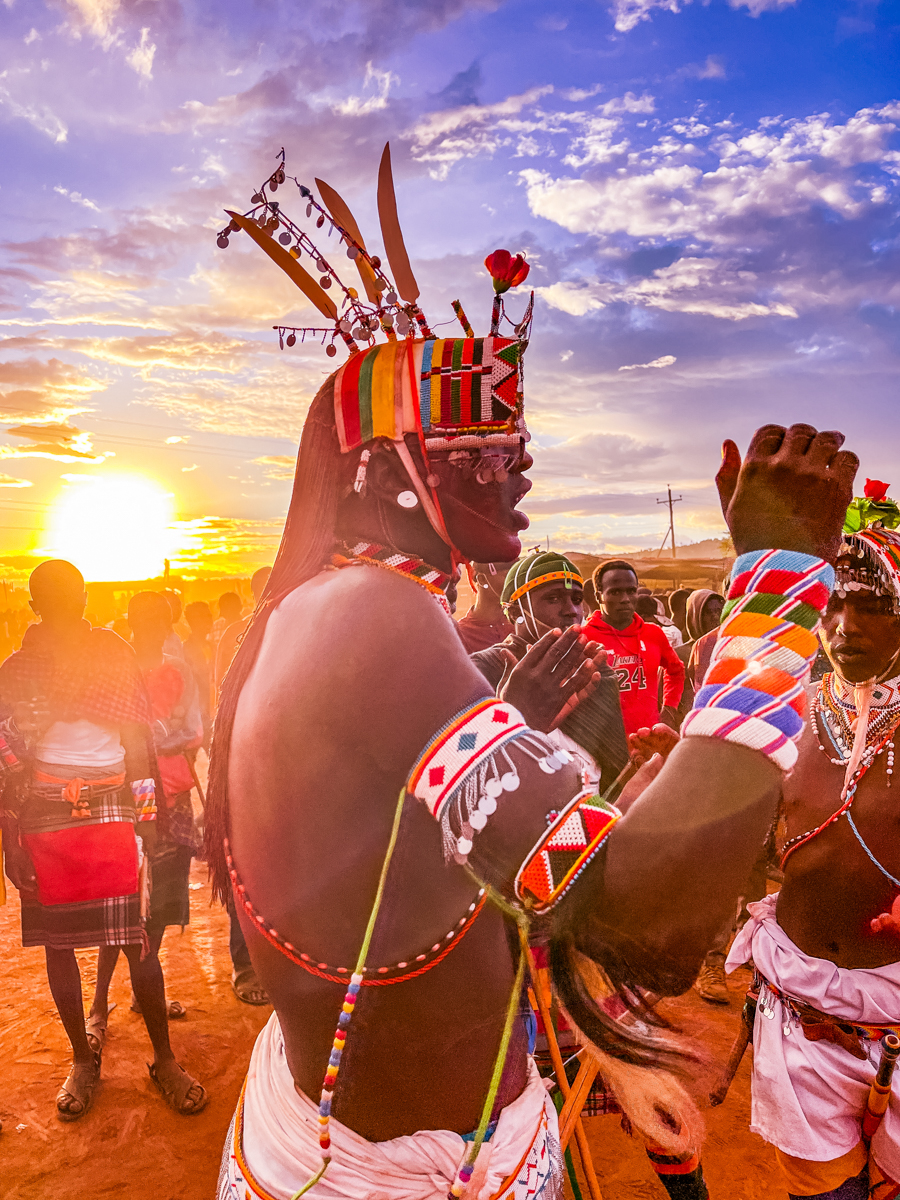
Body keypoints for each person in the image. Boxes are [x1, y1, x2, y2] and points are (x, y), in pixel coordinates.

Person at [207, 151, 856, 1200]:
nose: (522, 466)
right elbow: (640, 921)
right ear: (391, 461)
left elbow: (443, 874)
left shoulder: (349, 613)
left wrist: (610, 1044)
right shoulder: (370, 616)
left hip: (404, 1140)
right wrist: (777, 588)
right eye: (490, 439)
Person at [724, 503, 900, 1199]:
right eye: (834, 606)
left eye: (875, 607)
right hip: (800, 1022)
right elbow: (741, 843)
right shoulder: (784, 708)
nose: (846, 627)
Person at [0, 561, 206, 1120]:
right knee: (59, 944)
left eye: (73, 597)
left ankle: (163, 1059)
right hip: (44, 814)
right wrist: (14, 827)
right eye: (54, 599)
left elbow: (138, 745)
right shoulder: (16, 671)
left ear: (86, 598)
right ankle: (81, 1061)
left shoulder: (111, 654)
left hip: (115, 808)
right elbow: (6, 753)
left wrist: (144, 819)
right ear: (36, 606)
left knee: (137, 935)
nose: (68, 607)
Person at [88, 592, 205, 1034]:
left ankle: (140, 990)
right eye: (144, 618)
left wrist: (151, 740)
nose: (150, 625)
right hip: (126, 799)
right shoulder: (115, 672)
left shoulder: (178, 671)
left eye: (157, 618)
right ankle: (101, 1002)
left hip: (164, 797)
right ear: (132, 621)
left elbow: (193, 730)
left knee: (151, 906)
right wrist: (161, 738)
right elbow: (183, 732)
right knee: (119, 906)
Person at [469, 551, 628, 793]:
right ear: (514, 612)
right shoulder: (483, 669)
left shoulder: (595, 669)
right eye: (553, 599)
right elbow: (471, 771)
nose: (570, 610)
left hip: (594, 813)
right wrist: (517, 718)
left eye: (576, 599)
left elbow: (612, 769)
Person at [212, 565, 273, 1006]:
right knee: (243, 869)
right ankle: (246, 964)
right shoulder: (237, 635)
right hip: (243, 764)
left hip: (288, 769)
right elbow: (222, 699)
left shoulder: (299, 630)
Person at [584, 560, 685, 736]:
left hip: (650, 739)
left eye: (631, 591)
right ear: (599, 595)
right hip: (603, 745)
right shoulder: (584, 637)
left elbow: (676, 671)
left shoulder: (653, 634)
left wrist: (669, 709)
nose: (625, 599)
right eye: (615, 592)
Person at [214, 567, 271, 692]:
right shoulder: (233, 634)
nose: (268, 595)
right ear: (253, 595)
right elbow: (220, 683)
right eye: (262, 589)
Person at [455, 561, 516, 653]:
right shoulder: (460, 635)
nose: (514, 584)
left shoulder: (520, 623)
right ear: (482, 579)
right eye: (508, 577)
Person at [183, 600, 213, 748]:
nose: (210, 620)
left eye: (209, 615)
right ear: (193, 621)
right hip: (199, 713)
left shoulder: (211, 646)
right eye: (205, 616)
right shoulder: (186, 649)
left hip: (211, 709)